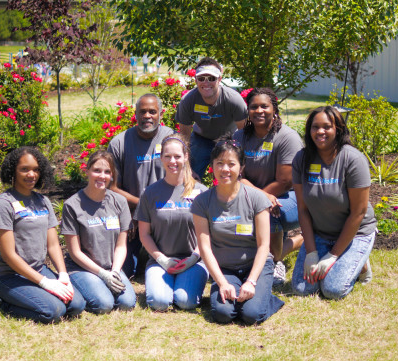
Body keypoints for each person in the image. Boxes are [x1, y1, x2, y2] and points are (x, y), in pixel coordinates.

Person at [191, 135, 284, 324]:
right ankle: (244, 294)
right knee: (223, 314)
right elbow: (205, 248)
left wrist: (251, 282)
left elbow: (264, 245)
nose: (225, 169)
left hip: (255, 266)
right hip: (225, 269)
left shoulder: (257, 198)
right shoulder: (202, 202)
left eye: (231, 164)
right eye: (219, 163)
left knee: (251, 315)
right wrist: (222, 282)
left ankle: (265, 298)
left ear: (241, 167)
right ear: (212, 166)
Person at [0, 147, 85, 323]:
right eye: (24, 169)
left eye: (36, 169)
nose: (31, 174)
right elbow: (9, 256)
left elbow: (53, 245)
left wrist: (62, 274)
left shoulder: (43, 201)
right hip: (9, 276)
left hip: (39, 270)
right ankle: (2, 302)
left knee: (76, 305)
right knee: (53, 312)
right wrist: (45, 283)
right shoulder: (3, 203)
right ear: (13, 171)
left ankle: (34, 294)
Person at [291, 106, 377, 300]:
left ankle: (360, 263)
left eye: (327, 127)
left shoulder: (353, 159)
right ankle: (349, 259)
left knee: (332, 290)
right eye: (315, 127)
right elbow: (303, 209)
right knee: (302, 289)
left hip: (355, 233)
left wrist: (333, 256)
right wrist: (311, 252)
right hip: (320, 233)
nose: (320, 132)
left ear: (338, 129)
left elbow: (358, 213)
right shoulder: (302, 159)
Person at [233, 88, 304, 285]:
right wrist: (259, 197)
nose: (259, 111)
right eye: (254, 107)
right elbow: (236, 175)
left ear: (275, 109)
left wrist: (259, 200)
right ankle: (297, 242)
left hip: (290, 198)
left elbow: (285, 181)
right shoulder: (239, 137)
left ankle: (275, 263)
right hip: (254, 195)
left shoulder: (287, 137)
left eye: (264, 106)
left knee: (267, 213)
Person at [136, 134, 209, 311]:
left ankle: (187, 282)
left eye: (177, 156)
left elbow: (208, 234)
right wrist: (162, 259)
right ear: (161, 159)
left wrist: (193, 258)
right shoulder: (150, 193)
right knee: (159, 302)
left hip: (194, 260)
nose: (172, 161)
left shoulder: (201, 192)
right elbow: (144, 234)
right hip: (160, 261)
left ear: (186, 157)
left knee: (186, 301)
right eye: (167, 156)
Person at [61, 151, 136, 313]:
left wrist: (115, 271)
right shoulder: (72, 205)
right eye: (97, 170)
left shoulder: (119, 202)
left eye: (107, 172)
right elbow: (74, 252)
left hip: (111, 267)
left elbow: (121, 246)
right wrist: (102, 274)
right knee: (104, 305)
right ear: (87, 171)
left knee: (127, 303)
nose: (102, 176)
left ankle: (102, 285)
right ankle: (80, 288)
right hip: (81, 268)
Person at [107, 93, 174, 277]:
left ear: (161, 113)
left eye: (152, 111)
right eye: (142, 112)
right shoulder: (119, 143)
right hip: (132, 216)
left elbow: (181, 181)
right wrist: (140, 207)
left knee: (171, 265)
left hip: (165, 213)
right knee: (127, 271)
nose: (147, 116)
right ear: (135, 114)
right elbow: (112, 188)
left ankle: (153, 255)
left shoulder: (171, 139)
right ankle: (139, 256)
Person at [176, 57, 248, 180]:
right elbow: (184, 137)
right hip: (201, 139)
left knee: (231, 175)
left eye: (211, 78)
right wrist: (188, 169)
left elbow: (245, 134)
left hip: (230, 139)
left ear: (220, 79)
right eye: (201, 78)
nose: (206, 82)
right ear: (195, 80)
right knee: (190, 175)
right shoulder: (188, 101)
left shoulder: (233, 99)